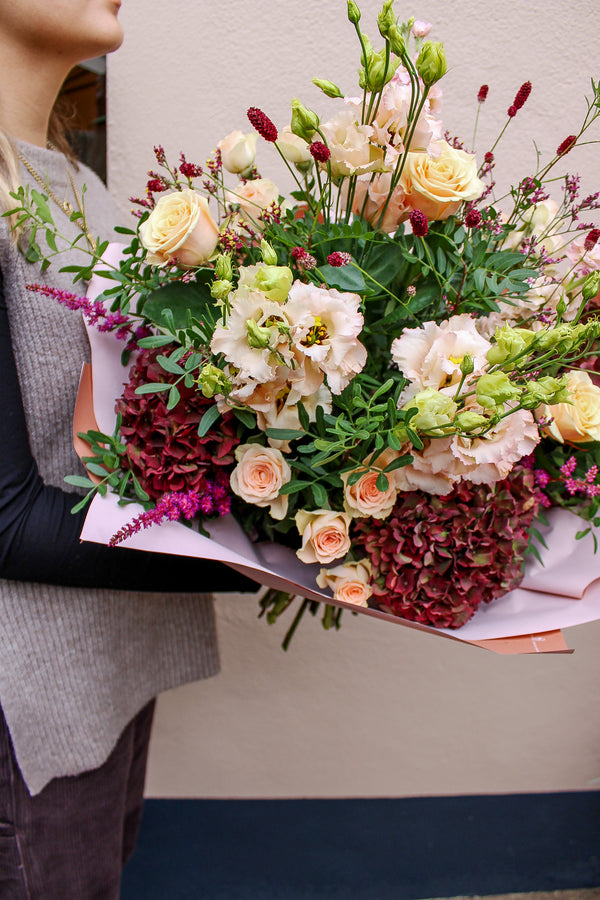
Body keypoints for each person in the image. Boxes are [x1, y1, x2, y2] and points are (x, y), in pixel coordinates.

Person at [0, 2, 257, 896]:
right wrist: (266, 552)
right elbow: (2, 520)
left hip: (105, 673)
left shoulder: (81, 191)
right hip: (24, 709)